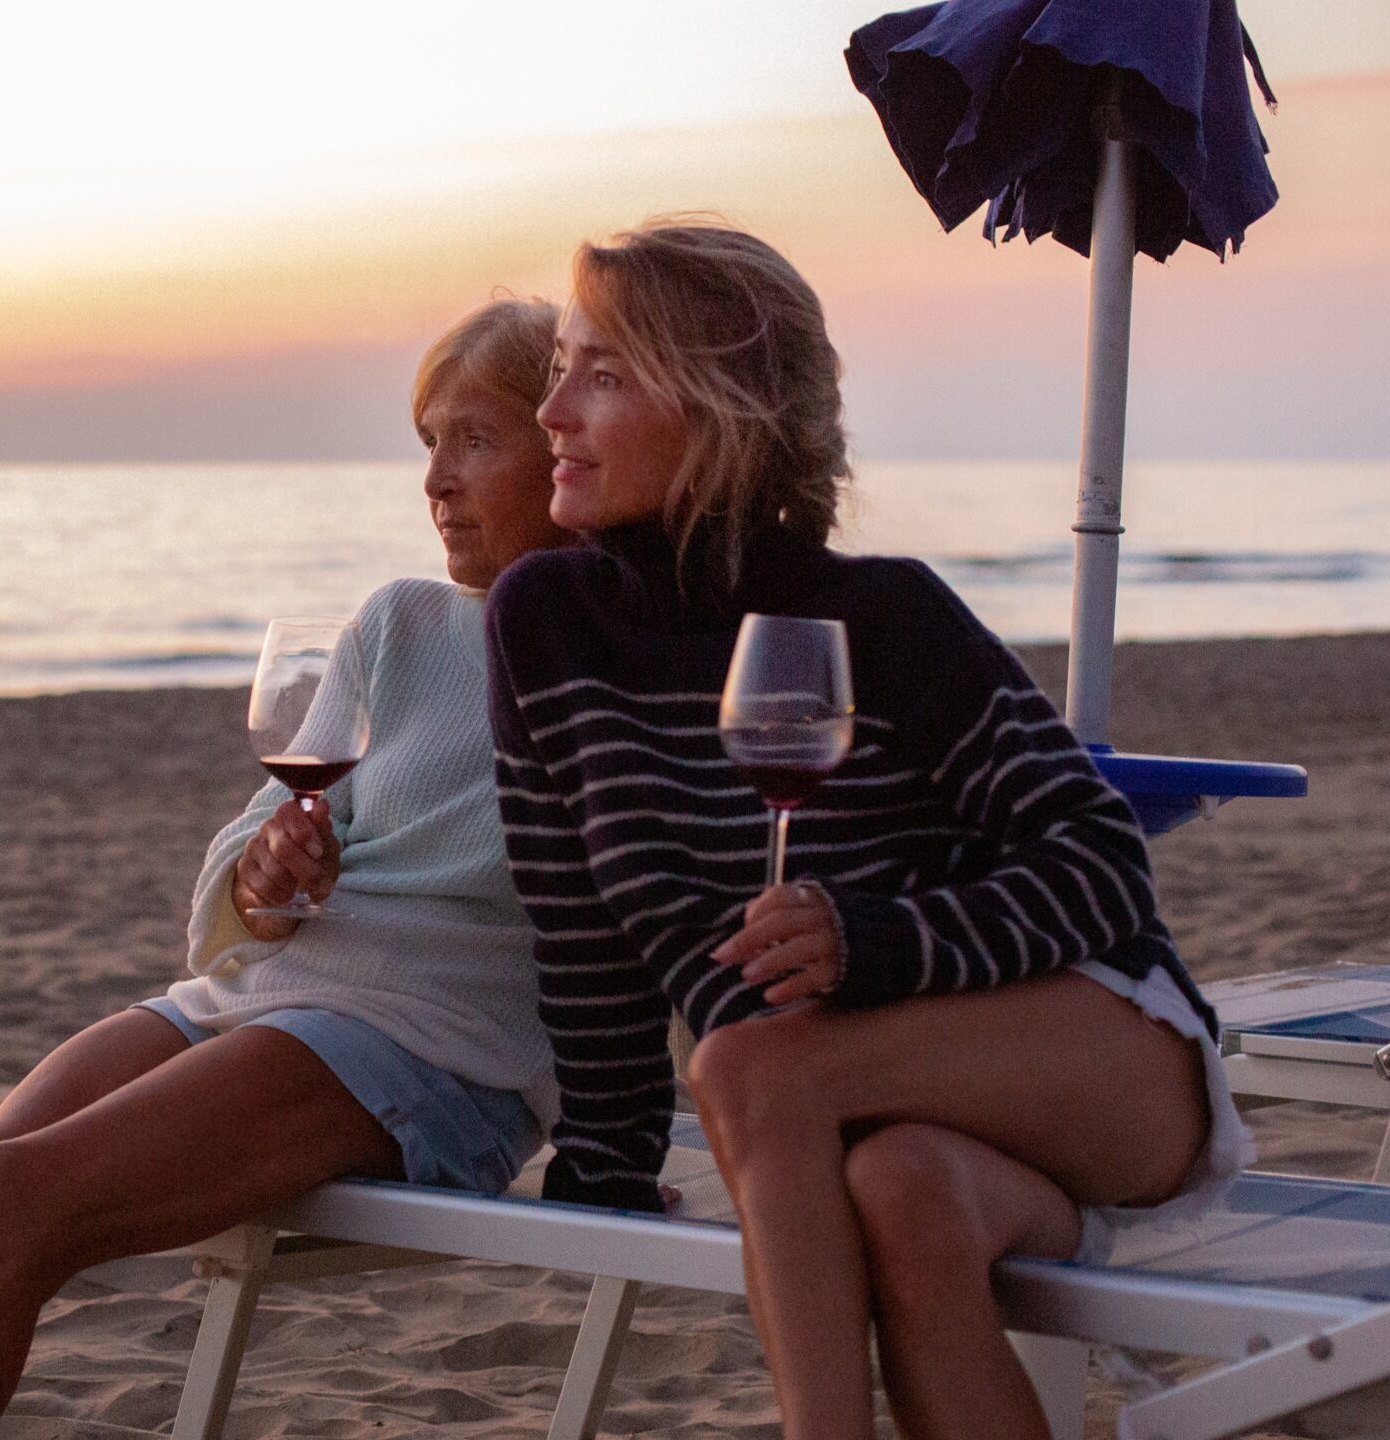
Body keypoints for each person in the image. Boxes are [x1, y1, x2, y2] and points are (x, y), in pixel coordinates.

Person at [0, 297, 575, 1440]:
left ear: (570, 446)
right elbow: (246, 854)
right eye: (427, 442)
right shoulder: (396, 622)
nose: (435, 479)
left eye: (476, 441)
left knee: (12, 1200)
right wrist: (268, 872)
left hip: (433, 1047)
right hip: (265, 996)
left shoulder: (616, 653)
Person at [484, 220, 1253, 1440]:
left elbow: (1101, 863)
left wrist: (880, 944)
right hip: (871, 1117)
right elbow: (578, 919)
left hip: (1098, 1058)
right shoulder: (546, 624)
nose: (551, 411)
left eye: (604, 373)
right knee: (898, 1193)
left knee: (744, 1062)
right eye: (559, 367)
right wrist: (607, 1168)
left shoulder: (882, 617)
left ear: (724, 410)